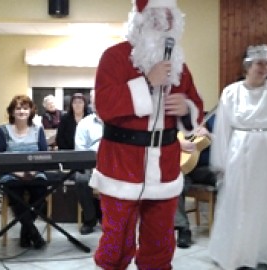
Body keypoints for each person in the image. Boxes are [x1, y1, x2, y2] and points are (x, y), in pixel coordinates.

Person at [89, 0, 205, 269]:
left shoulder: (179, 65)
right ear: (139, 20)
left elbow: (196, 106)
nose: (164, 23)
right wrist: (145, 83)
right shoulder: (114, 57)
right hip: (121, 165)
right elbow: (104, 106)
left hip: (164, 165)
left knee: (161, 243)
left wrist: (185, 109)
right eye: (156, 16)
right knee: (116, 241)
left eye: (169, 17)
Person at [209, 44, 267, 270]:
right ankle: (239, 254)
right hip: (240, 154)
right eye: (260, 63)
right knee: (241, 202)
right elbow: (222, 129)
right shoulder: (231, 92)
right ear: (247, 66)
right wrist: (221, 161)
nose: (265, 68)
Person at [0, 95, 48, 249]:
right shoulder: (3, 130)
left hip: (34, 173)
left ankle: (26, 232)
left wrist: (31, 171)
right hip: (10, 174)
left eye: (25, 108)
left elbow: (45, 156)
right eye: (18, 108)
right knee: (15, 194)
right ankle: (33, 233)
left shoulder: (38, 130)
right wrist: (17, 172)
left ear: (31, 111)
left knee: (41, 192)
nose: (22, 111)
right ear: (12, 111)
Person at [174, 115, 215, 249]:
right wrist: (179, 144)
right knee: (176, 182)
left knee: (226, 179)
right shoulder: (179, 121)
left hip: (207, 168)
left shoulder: (213, 119)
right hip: (186, 167)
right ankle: (183, 229)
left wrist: (210, 134)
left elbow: (230, 142)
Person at [74, 90, 102, 235]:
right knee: (81, 180)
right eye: (95, 101)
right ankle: (90, 219)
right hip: (90, 161)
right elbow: (80, 148)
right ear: (91, 103)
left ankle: (108, 216)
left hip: (113, 163)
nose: (98, 103)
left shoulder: (116, 122)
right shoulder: (85, 123)